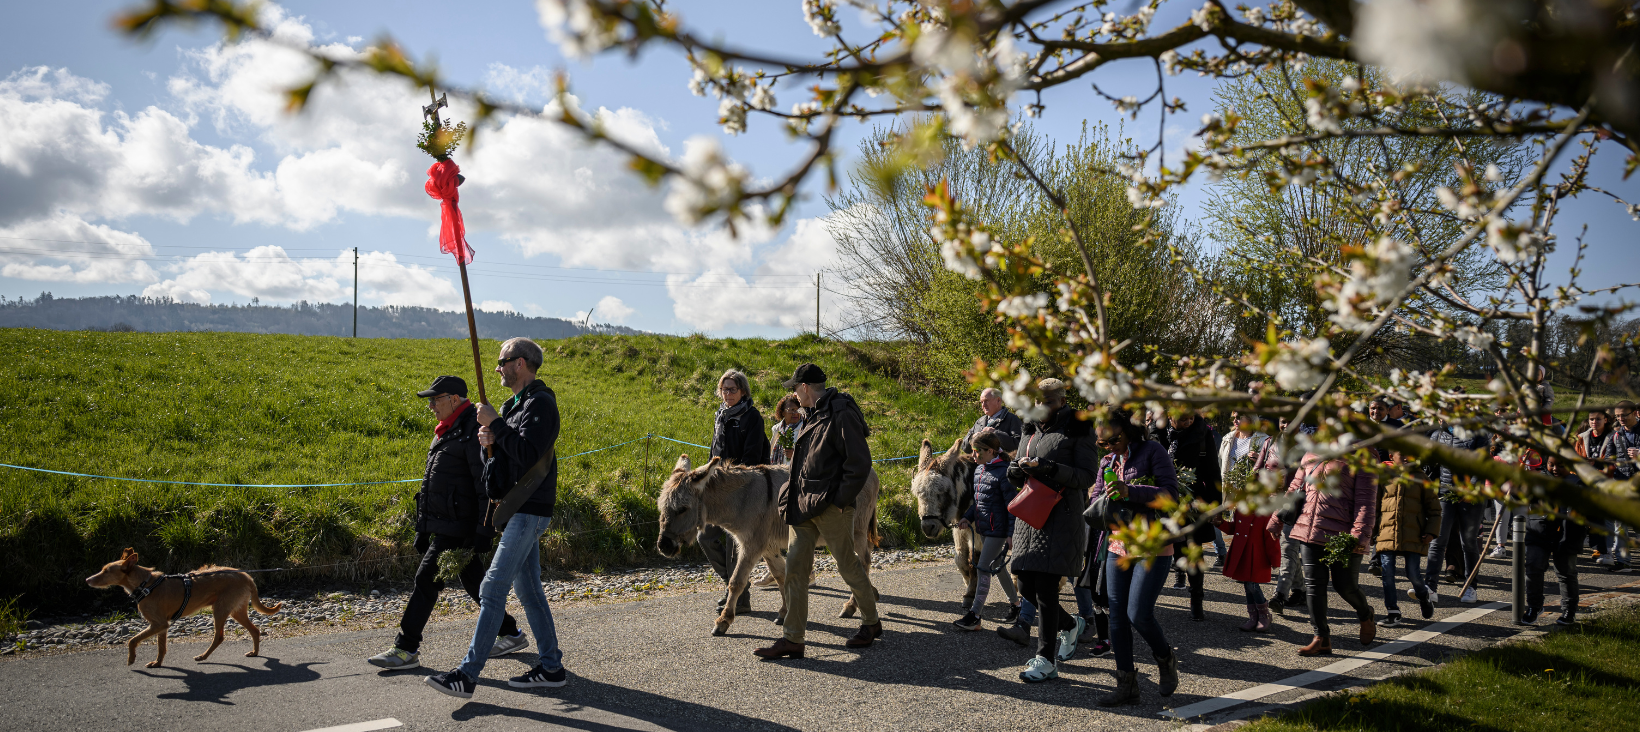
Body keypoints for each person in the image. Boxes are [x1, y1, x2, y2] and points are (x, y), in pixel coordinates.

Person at [426, 338, 566, 698]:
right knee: (529, 591)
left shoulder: (541, 404)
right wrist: (488, 440)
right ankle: (551, 668)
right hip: (516, 509)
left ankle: (466, 675)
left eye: (502, 362)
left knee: (491, 588)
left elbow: (529, 453)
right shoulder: (513, 405)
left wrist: (497, 427)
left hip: (529, 509)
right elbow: (503, 463)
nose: (498, 368)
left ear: (521, 364)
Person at [368, 376, 524, 670]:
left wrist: (484, 529)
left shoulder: (473, 429)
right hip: (446, 525)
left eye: (434, 400)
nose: (430, 406)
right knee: (475, 581)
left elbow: (485, 485)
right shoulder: (446, 430)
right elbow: (435, 484)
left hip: (461, 527)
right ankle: (510, 632)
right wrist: (424, 528)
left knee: (426, 580)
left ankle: (406, 648)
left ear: (454, 399)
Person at [754, 364, 881, 660]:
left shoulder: (841, 412)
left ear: (806, 387)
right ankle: (793, 639)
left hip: (830, 506)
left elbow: (860, 462)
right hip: (803, 505)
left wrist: (840, 500)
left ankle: (872, 622)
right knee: (796, 569)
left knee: (848, 566)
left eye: (795, 388)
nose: (793, 394)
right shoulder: (812, 414)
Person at [1002, 378, 1095, 683]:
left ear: (1062, 401)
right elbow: (1017, 468)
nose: (1042, 408)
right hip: (1030, 514)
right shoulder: (1029, 427)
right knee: (1026, 586)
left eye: (1049, 403)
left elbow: (1086, 476)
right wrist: (1016, 469)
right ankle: (1069, 625)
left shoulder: (1079, 427)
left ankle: (1047, 659)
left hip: (1061, 516)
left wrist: (1050, 468)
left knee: (1045, 588)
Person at [1092, 409, 1181, 706]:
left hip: (1153, 543)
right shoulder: (1107, 461)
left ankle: (1165, 658)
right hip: (1119, 544)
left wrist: (1130, 491)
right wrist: (1102, 500)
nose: (1110, 447)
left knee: (1138, 614)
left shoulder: (1152, 450)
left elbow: (1170, 494)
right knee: (1116, 616)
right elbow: (1095, 498)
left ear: (1129, 431)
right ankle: (1126, 684)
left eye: (1114, 439)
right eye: (1103, 443)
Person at [1269, 448, 1378, 656]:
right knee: (1313, 586)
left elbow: (1366, 501)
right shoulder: (1311, 452)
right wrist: (1276, 518)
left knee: (1345, 586)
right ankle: (1321, 637)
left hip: (1344, 534)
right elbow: (1294, 487)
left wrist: (1359, 535)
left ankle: (1365, 614)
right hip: (1309, 529)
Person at [701, 369, 770, 615]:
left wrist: (730, 481)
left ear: (743, 391)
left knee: (735, 546)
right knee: (705, 537)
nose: (727, 394)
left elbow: (752, 457)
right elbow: (714, 452)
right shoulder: (720, 415)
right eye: (724, 389)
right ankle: (733, 587)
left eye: (732, 389)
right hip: (717, 487)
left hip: (743, 488)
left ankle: (740, 597)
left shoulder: (752, 417)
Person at [952, 429, 1021, 629]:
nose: (973, 455)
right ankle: (1016, 605)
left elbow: (1011, 506)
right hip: (985, 528)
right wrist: (966, 517)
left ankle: (975, 615)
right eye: (973, 451)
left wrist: (1010, 534)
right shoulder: (980, 471)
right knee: (997, 568)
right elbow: (979, 504)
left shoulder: (1004, 472)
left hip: (998, 531)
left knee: (983, 568)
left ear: (991, 451)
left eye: (977, 451)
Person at [1216, 412, 1278, 632]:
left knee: (1251, 582)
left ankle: (1263, 614)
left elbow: (1270, 534)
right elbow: (1234, 528)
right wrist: (1220, 523)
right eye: (1232, 416)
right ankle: (1254, 615)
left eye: (1239, 417)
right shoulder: (1242, 504)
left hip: (1256, 551)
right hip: (1242, 547)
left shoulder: (1262, 506)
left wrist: (1275, 558)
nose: (1234, 420)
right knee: (1245, 582)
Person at [1159, 410, 1223, 617]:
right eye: (1182, 419)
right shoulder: (1157, 433)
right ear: (1170, 417)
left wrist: (1215, 506)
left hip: (1193, 499)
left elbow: (1213, 471)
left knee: (1193, 549)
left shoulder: (1202, 434)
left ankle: (1197, 598)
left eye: (1191, 419)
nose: (1188, 423)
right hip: (1162, 499)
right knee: (1167, 546)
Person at [1424, 424, 1491, 604]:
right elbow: (1428, 462)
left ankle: (1471, 586)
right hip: (1446, 493)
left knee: (1468, 542)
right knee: (1438, 541)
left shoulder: (1478, 433)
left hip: (1471, 495)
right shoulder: (1438, 433)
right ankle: (1430, 587)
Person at [1375, 450, 1440, 627]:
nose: (1405, 457)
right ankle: (1393, 612)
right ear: (1391, 457)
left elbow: (1434, 510)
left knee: (1413, 574)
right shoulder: (1384, 477)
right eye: (1400, 454)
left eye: (1408, 454)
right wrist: (1371, 532)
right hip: (1387, 533)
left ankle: (1423, 595)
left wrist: (1431, 532)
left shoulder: (1421, 477)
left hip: (1414, 534)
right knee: (1387, 573)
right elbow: (1375, 506)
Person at [1523, 455, 1588, 625]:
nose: (1555, 469)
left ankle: (1569, 610)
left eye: (1560, 466)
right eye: (1551, 465)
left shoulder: (1578, 482)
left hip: (1567, 534)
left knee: (1566, 572)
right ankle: (1534, 606)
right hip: (1539, 530)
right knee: (1533, 566)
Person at [1261, 417, 1306, 617]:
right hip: (1273, 501)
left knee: (1288, 548)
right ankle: (1300, 590)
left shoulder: (1307, 445)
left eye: (1291, 421)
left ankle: (1279, 595)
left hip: (1296, 504)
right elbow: (1261, 470)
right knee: (1286, 548)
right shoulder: (1270, 442)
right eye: (1282, 421)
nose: (1286, 425)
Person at [1599, 400, 1640, 571]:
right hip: (1621, 482)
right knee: (1620, 524)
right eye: (1617, 416)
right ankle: (1623, 561)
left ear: (1635, 413)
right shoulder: (1616, 435)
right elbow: (1609, 458)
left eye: (1624, 415)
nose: (1621, 419)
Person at [963, 387, 1024, 453]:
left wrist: (995, 434)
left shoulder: (1012, 419)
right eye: (981, 402)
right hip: (979, 462)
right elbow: (964, 447)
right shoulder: (979, 421)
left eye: (986, 401)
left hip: (1002, 463)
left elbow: (1019, 445)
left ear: (998, 400)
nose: (983, 405)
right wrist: (972, 438)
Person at [769, 393, 804, 465]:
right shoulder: (777, 429)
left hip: (796, 473)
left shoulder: (804, 428)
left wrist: (795, 454)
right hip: (779, 473)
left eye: (798, 409)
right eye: (792, 410)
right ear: (782, 412)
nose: (796, 413)